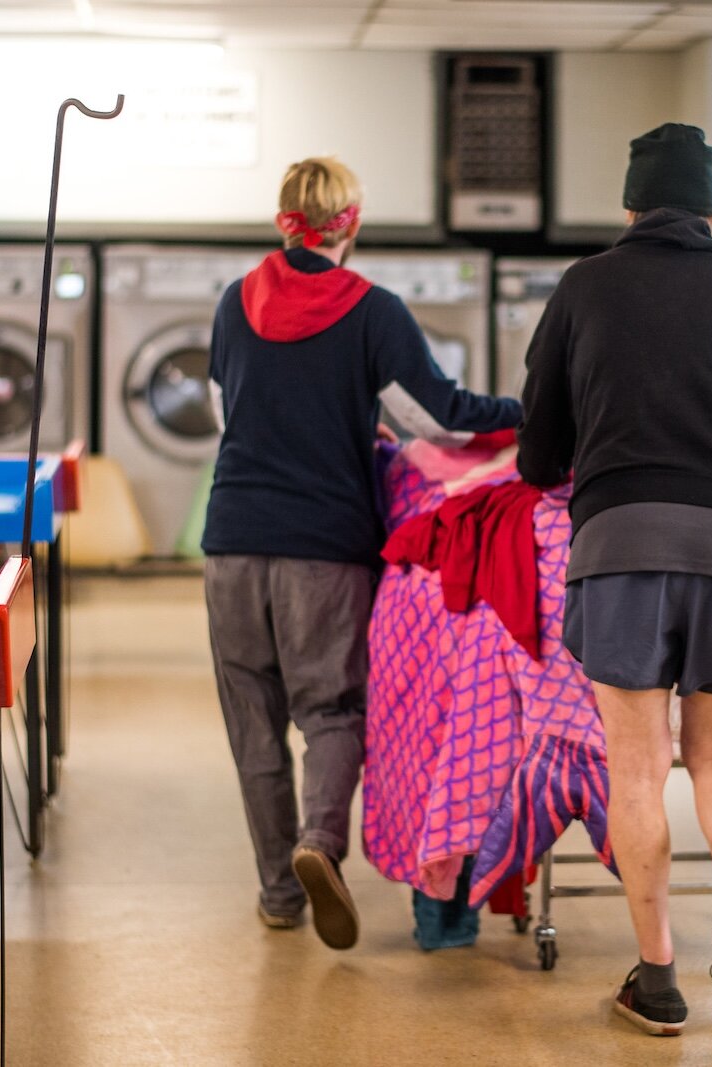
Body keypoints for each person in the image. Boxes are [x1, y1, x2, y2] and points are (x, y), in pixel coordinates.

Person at [203, 157, 522, 950]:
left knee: (255, 720)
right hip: (325, 548)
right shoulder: (371, 309)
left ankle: (279, 890)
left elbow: (224, 413)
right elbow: (441, 418)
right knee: (333, 712)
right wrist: (531, 412)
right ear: (351, 224)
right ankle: (320, 843)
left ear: (284, 220)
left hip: (232, 542)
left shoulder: (233, 303)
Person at [517, 124, 712, 1044]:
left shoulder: (586, 285)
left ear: (631, 206)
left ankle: (660, 978)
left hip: (624, 536)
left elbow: (538, 448)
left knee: (637, 761)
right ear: (709, 211)